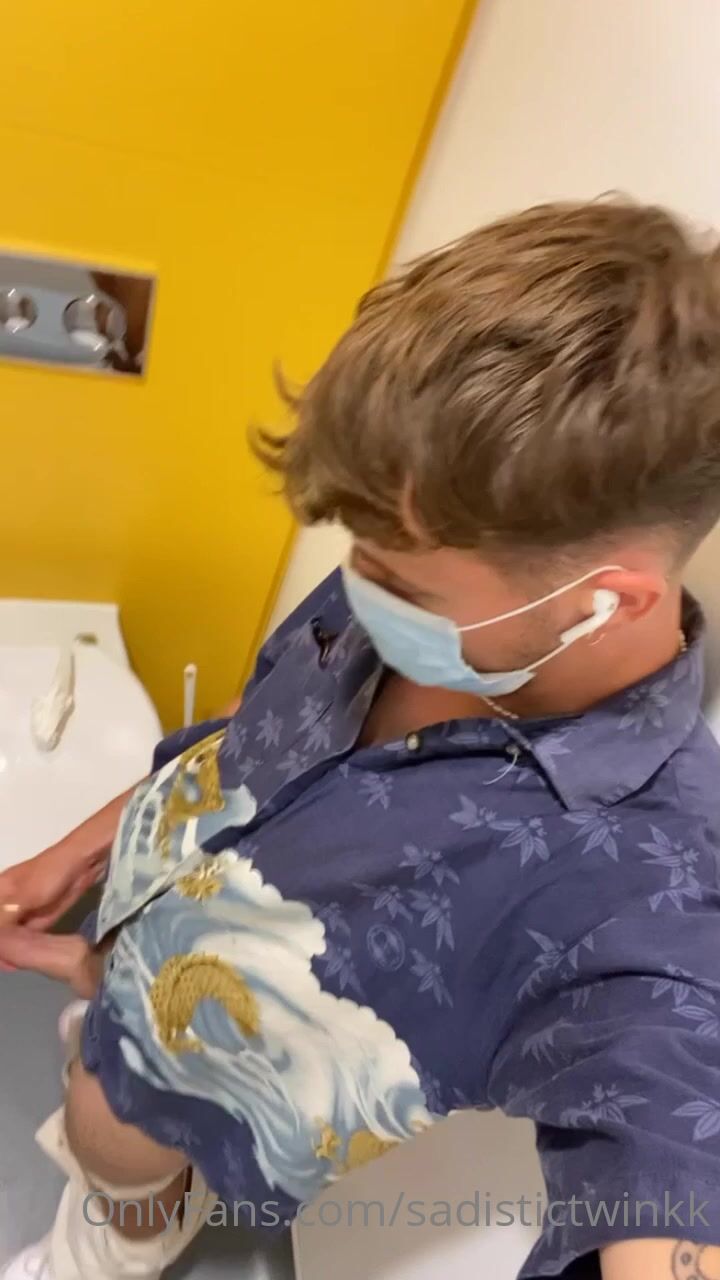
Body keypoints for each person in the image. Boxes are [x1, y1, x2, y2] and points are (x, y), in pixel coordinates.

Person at [2, 197, 720, 1280]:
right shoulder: (418, 580)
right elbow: (254, 737)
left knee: (116, 1164)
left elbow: (673, 1160)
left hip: (188, 1121)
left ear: (603, 603)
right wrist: (90, 849)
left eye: (400, 583)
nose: (356, 587)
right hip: (141, 941)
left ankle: (126, 1230)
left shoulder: (645, 899)